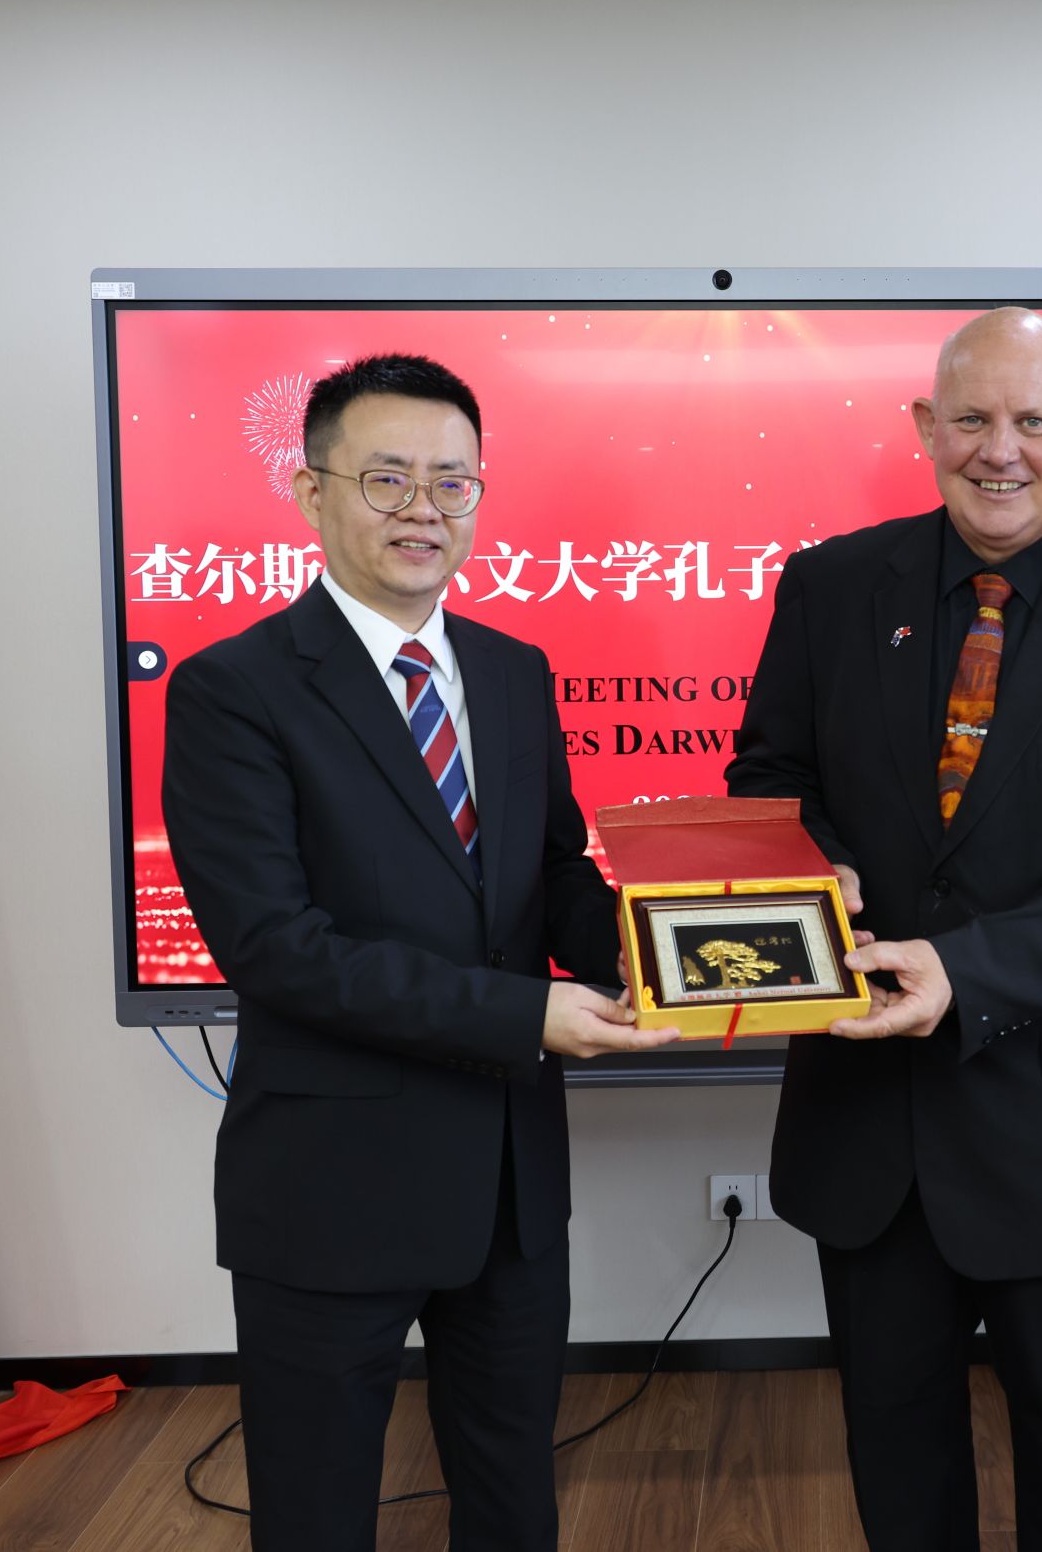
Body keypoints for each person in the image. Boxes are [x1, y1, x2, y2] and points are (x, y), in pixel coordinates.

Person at [726, 308, 1042, 1552]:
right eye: (970, 418)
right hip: (865, 1118)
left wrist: (962, 972)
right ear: (924, 426)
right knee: (895, 1445)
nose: (998, 450)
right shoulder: (833, 587)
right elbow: (770, 780)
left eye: (1031, 421)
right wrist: (815, 871)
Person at [161, 353, 676, 1552]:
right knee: (317, 1508)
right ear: (311, 491)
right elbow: (276, 947)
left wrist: (659, 953)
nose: (423, 509)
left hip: (507, 1177)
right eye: (386, 478)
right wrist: (525, 1016)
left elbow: (552, 877)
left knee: (511, 1492)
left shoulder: (510, 671)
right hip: (332, 1180)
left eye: (453, 481)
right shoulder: (233, 690)